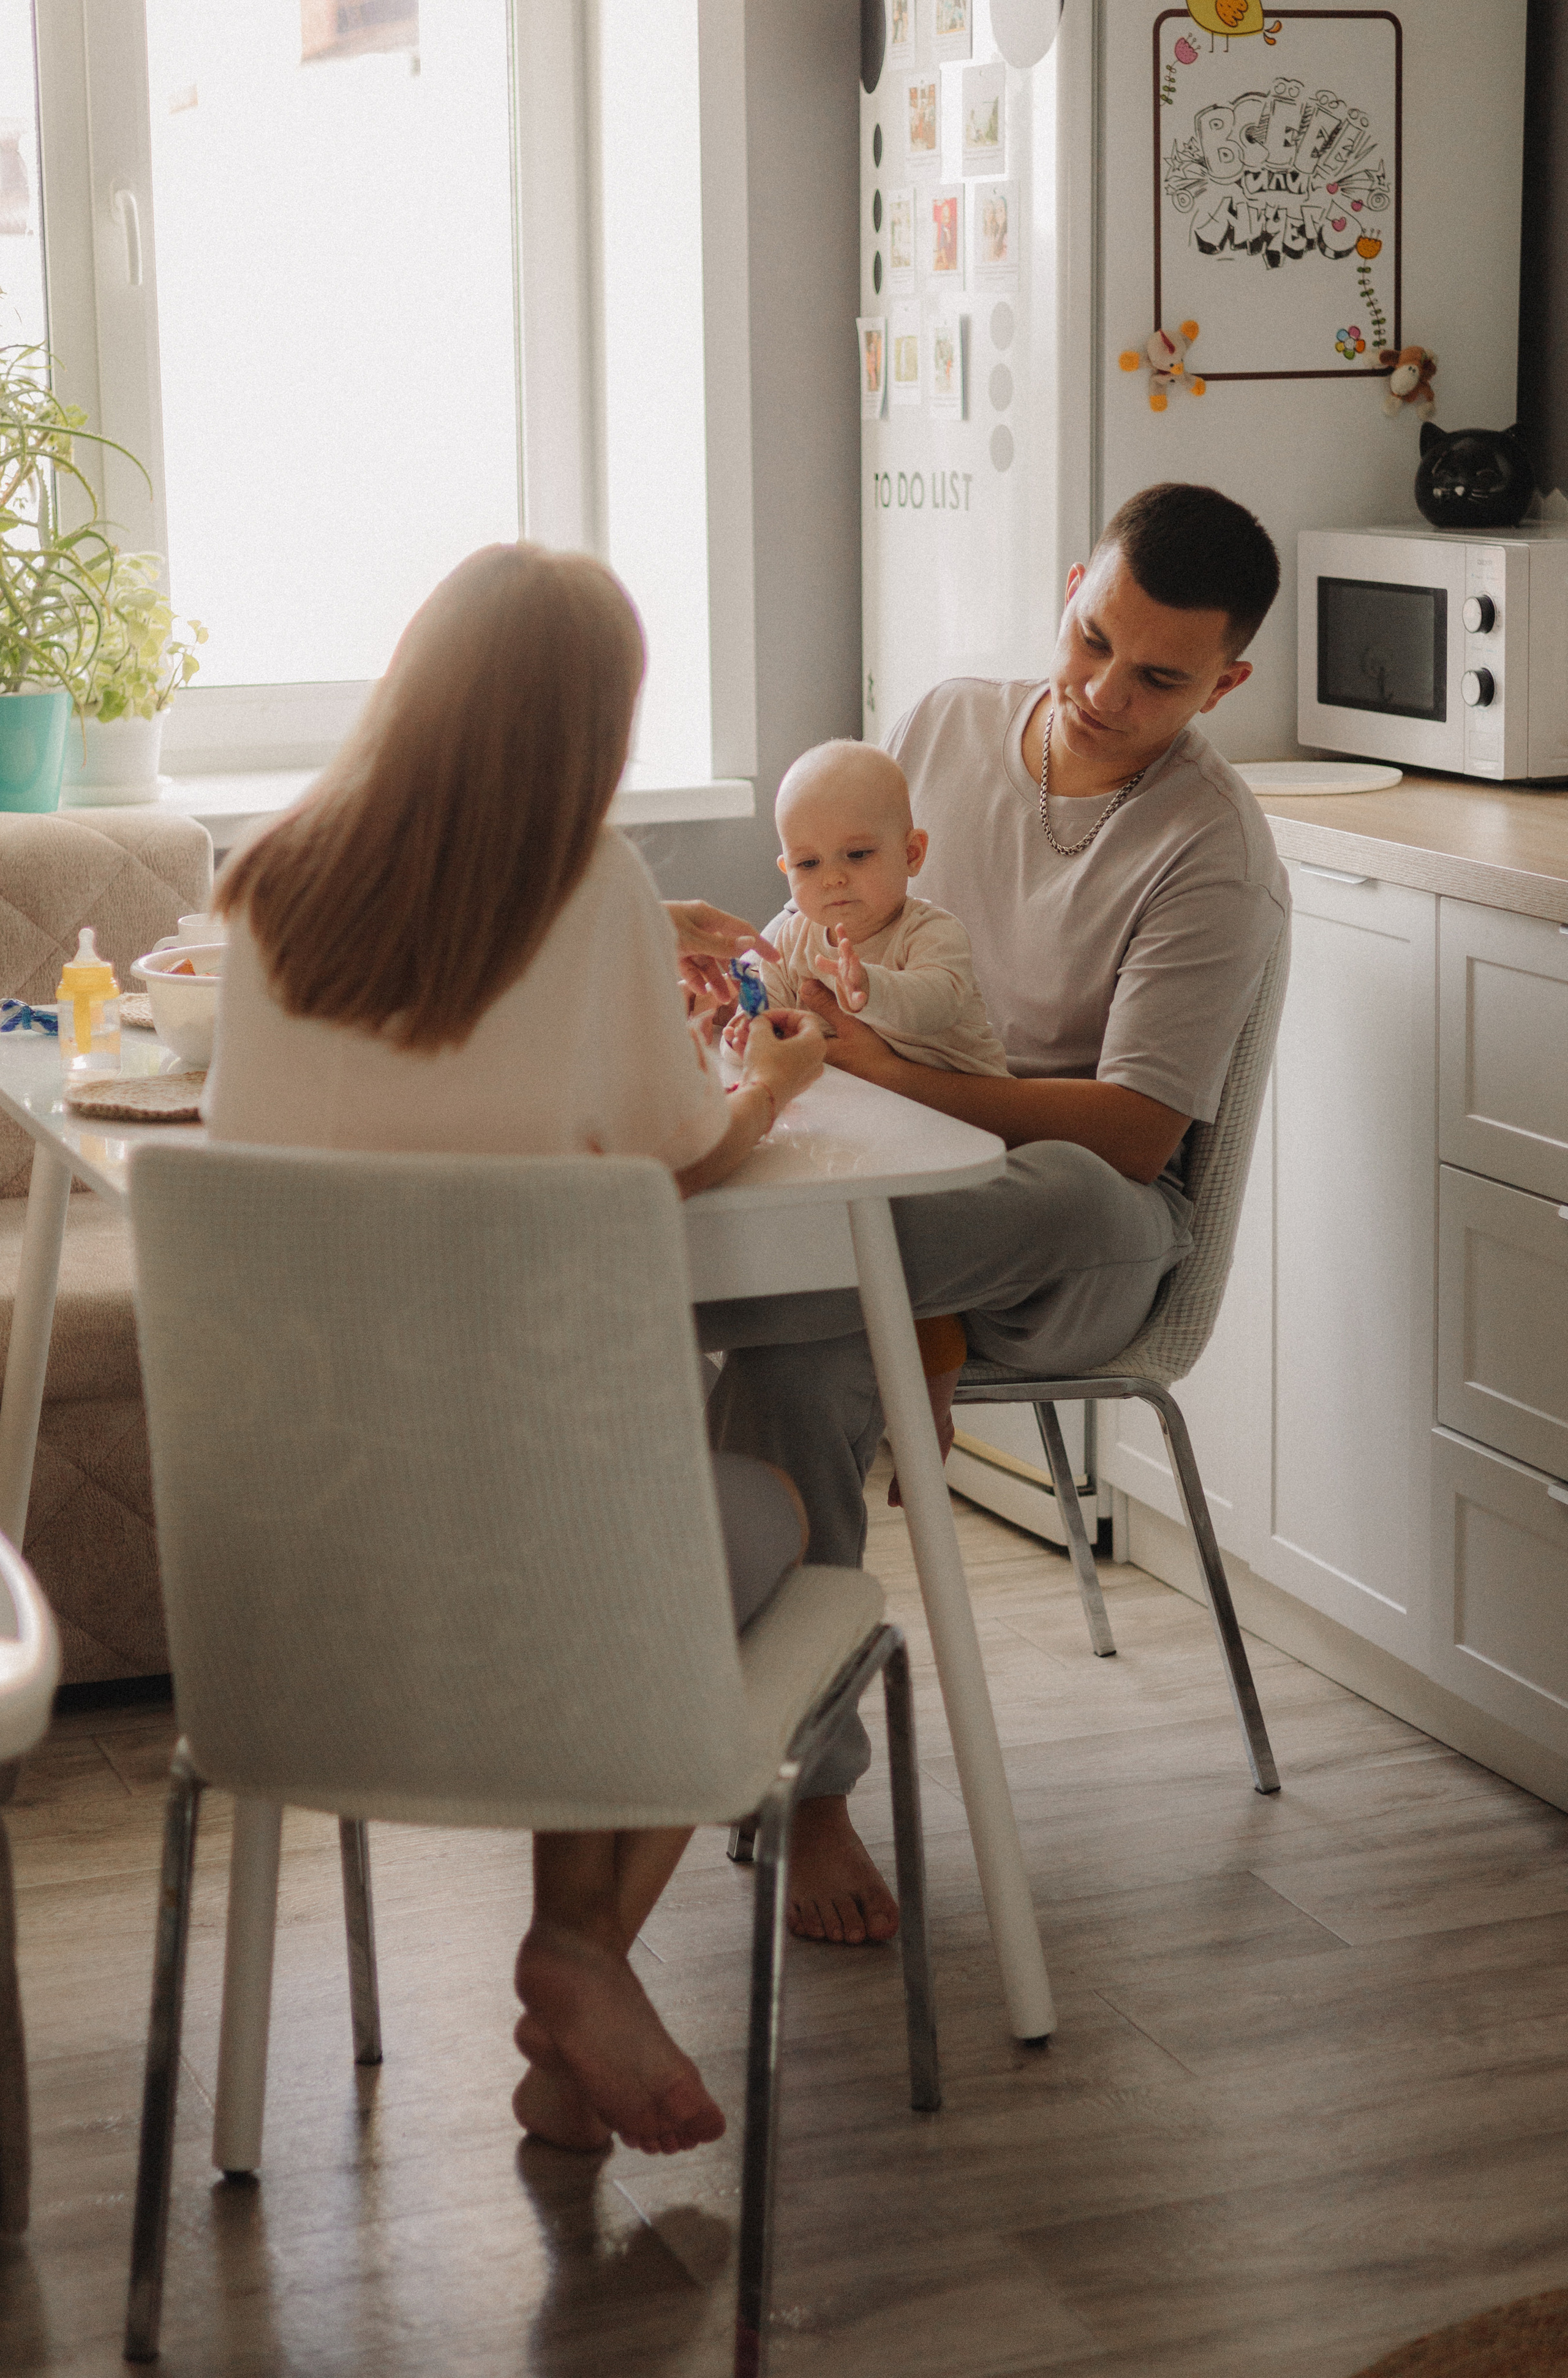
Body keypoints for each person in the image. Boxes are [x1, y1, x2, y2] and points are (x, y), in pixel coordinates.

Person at [203, 542, 827, 2158]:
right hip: (544, 1572)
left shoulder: (271, 879)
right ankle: (579, 1953)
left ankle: (576, 2031)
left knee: (602, 1549)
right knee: (747, 1516)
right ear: (594, 734)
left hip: (293, 1579)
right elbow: (676, 1152)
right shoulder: (594, 893)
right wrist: (773, 1083)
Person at [704, 481, 1291, 1949]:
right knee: (808, 1356)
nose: (1099, 691)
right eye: (1089, 637)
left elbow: (1134, 1129)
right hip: (892, 1188)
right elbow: (812, 929)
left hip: (1083, 1225)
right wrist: (756, 994)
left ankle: (668, 1290)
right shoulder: (938, 727)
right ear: (1070, 582)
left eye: (1155, 677)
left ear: (1224, 682)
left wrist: (892, 1073)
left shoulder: (1207, 847)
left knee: (1029, 1196)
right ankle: (810, 1782)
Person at [728, 736, 1009, 1482]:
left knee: (910, 1270)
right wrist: (744, 1009)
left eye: (857, 855)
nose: (835, 880)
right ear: (787, 871)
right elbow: (774, 992)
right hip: (871, 1135)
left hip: (955, 1128)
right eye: (810, 863)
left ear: (911, 852)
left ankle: (930, 1416)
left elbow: (934, 1001)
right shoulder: (794, 929)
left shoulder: (928, 931)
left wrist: (867, 992)